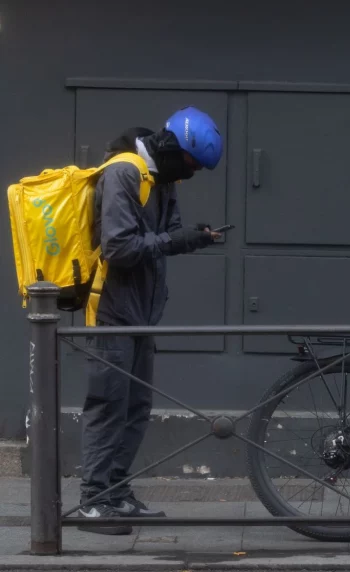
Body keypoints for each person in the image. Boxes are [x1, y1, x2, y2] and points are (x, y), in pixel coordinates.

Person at [78, 106, 223, 535]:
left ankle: (117, 493)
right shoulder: (124, 173)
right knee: (108, 405)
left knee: (136, 406)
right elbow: (119, 249)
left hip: (144, 310)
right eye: (191, 164)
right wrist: (172, 240)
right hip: (113, 310)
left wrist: (192, 238)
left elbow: (168, 234)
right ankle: (93, 500)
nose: (190, 174)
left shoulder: (163, 177)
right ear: (174, 148)